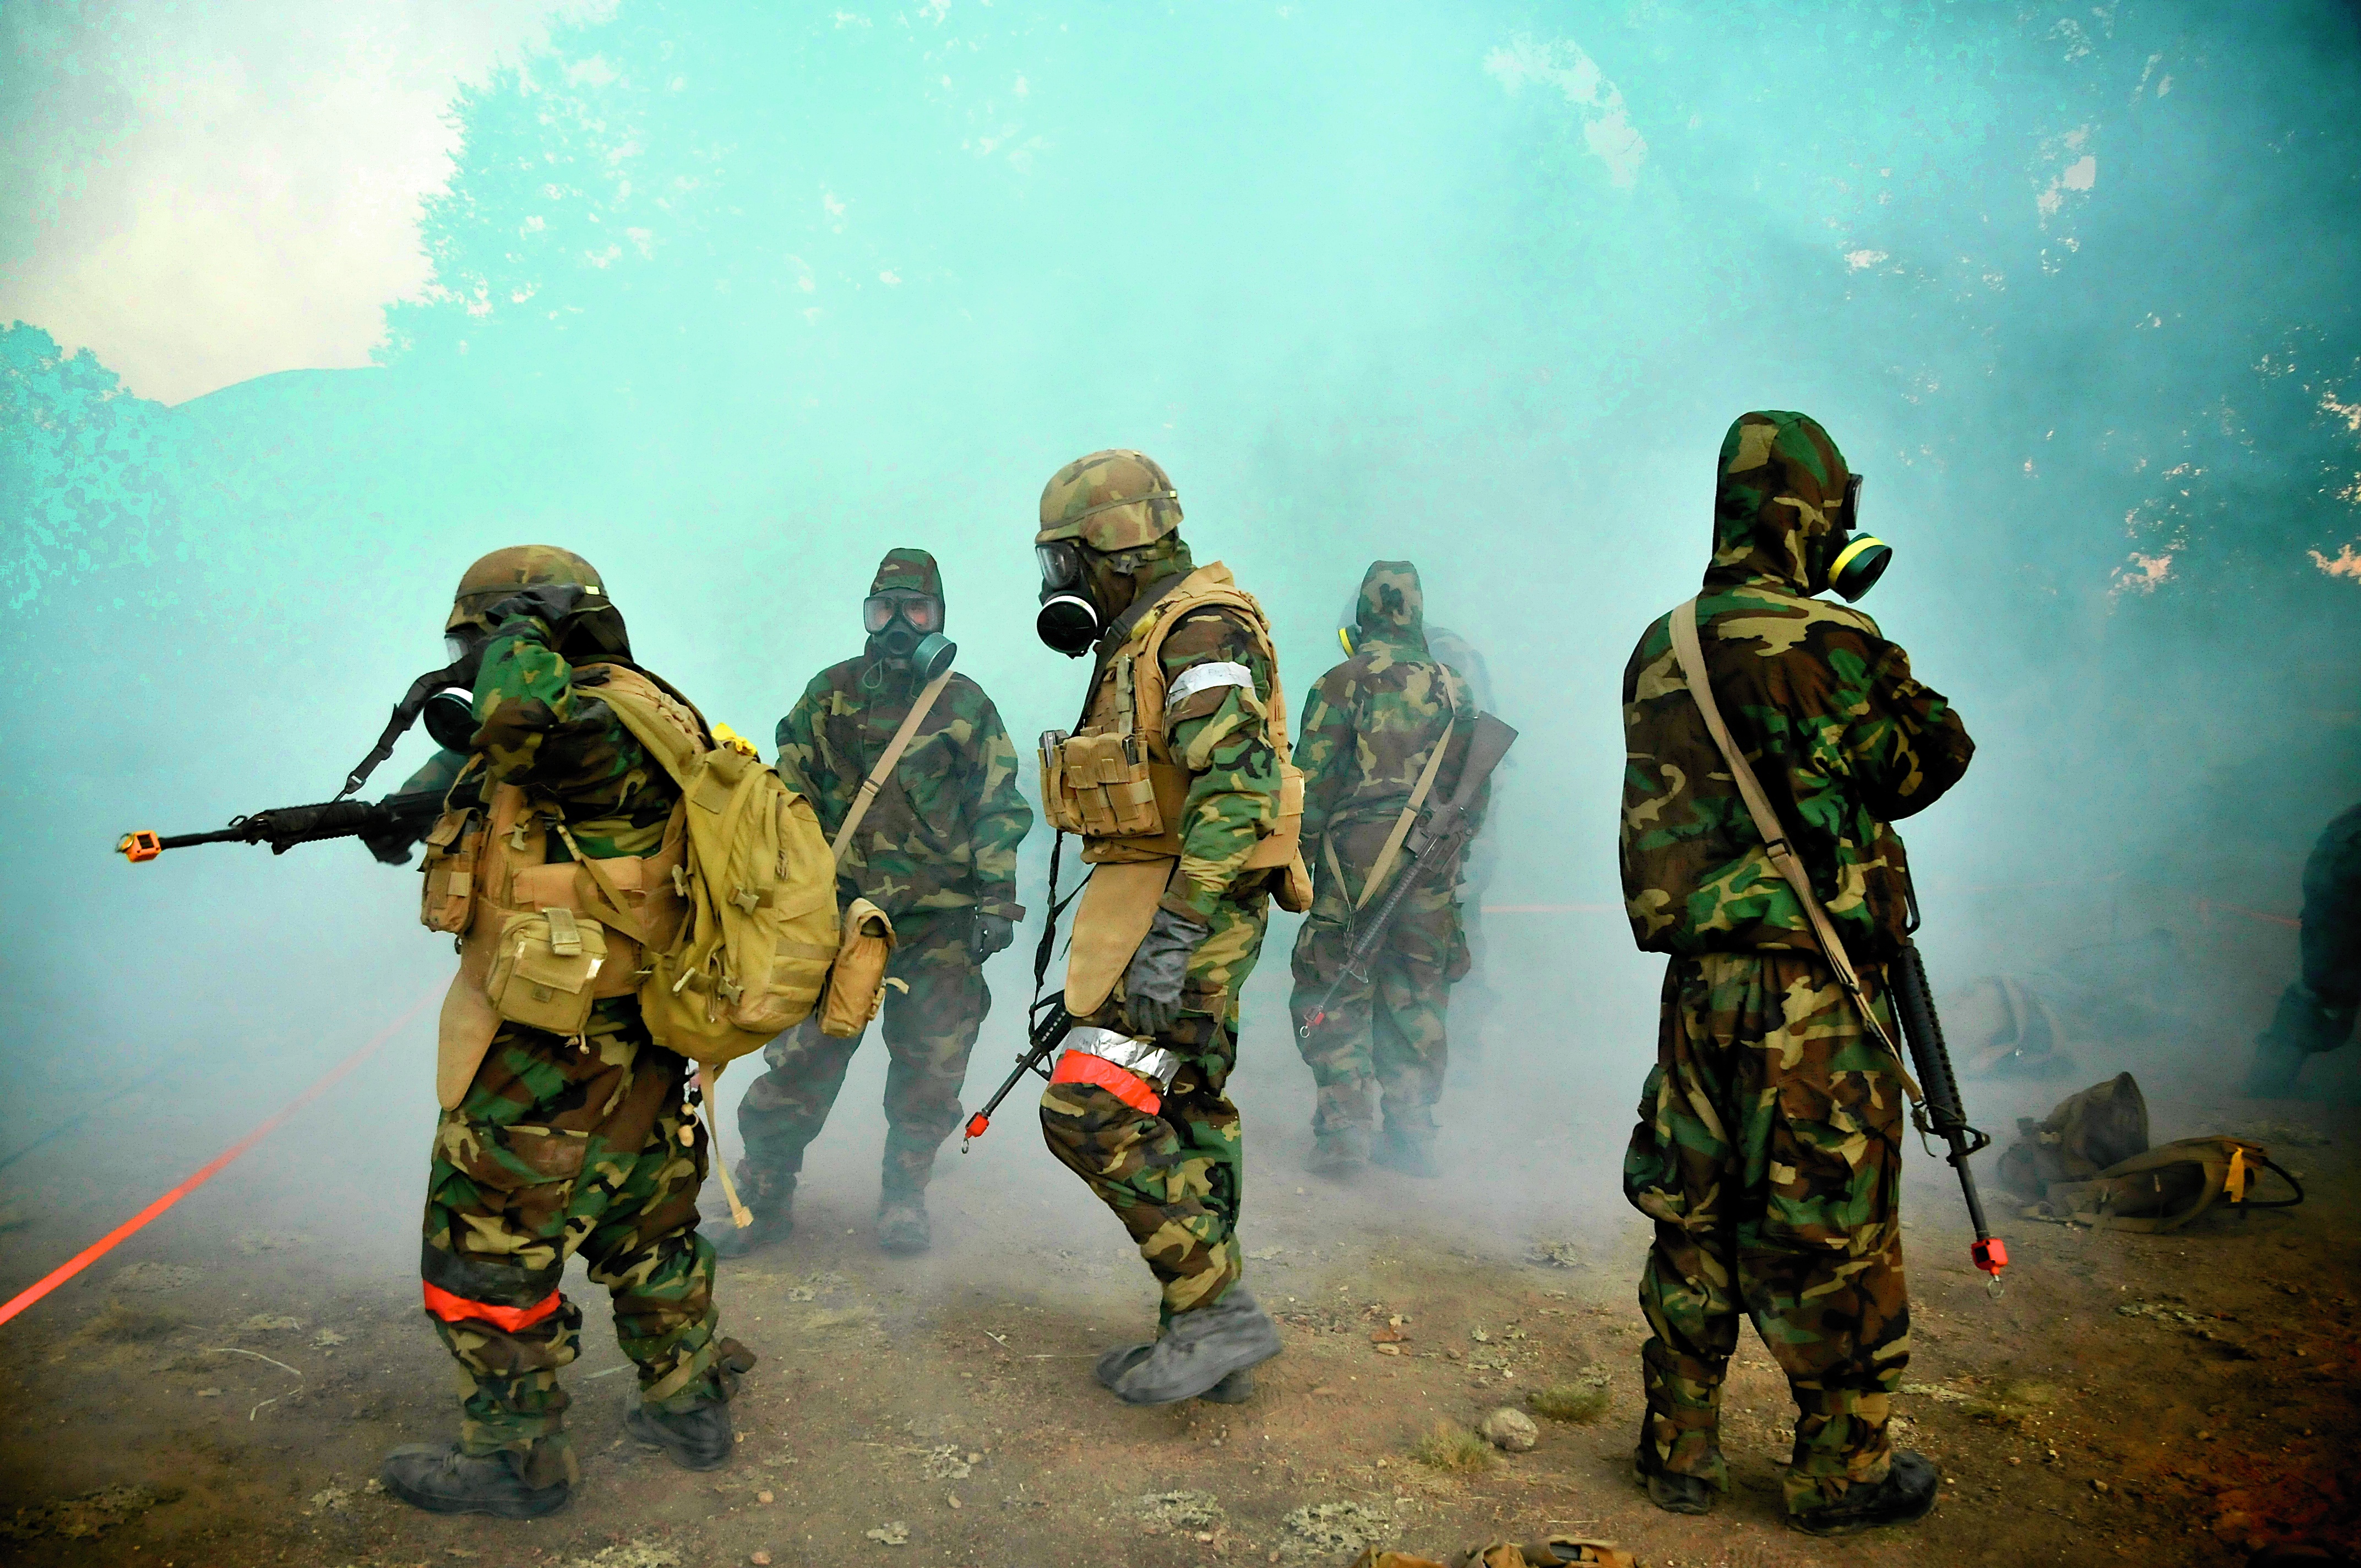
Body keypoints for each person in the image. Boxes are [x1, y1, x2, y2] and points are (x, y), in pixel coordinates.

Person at [1617, 412, 1974, 1536]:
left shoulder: (1659, 641)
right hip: (1817, 992)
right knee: (1835, 1230)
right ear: (1818, 516)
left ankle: (1677, 1449)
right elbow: (1933, 758)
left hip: (1699, 985)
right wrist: (1851, 619)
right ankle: (1838, 1471)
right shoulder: (1839, 642)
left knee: (1692, 1210)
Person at [379, 546, 752, 1519]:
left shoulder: (574, 720)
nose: (469, 659)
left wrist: (514, 632)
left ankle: (514, 1461)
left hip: (552, 1046)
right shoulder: (636, 705)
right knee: (646, 1221)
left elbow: (514, 724)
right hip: (635, 1032)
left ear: (525, 632)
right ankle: (690, 1405)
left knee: (483, 1249)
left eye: (480, 637)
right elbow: (499, 780)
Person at [1029, 448, 1307, 1406]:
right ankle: (1200, 1332)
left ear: (1104, 549)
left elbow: (1239, 786)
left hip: (1187, 907)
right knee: (1183, 1108)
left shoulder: (1197, 630)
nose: (1056, 588)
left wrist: (1176, 933)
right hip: (1174, 900)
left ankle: (1213, 1307)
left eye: (1059, 564)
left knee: (1088, 1105)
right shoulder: (1155, 632)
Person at [723, 548, 1032, 1256]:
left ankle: (904, 1200)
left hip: (941, 925)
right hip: (841, 921)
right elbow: (786, 795)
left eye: (914, 610)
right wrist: (778, 894)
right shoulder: (829, 693)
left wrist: (997, 899)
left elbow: (998, 803)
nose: (897, 625)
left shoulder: (964, 704)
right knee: (800, 1063)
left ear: (940, 616)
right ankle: (764, 1199)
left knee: (931, 1070)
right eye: (882, 610)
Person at [1288, 560, 1487, 1177]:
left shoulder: (1341, 681)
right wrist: (1453, 856)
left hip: (1354, 867)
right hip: (1431, 867)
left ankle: (1345, 1133)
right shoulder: (1455, 686)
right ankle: (1411, 1135)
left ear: (1362, 616)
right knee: (1418, 997)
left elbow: (1310, 786)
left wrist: (1294, 860)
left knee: (1335, 985)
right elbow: (1473, 792)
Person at [2244, 802, 2361, 1096]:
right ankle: (2267, 1080)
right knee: (2325, 992)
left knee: (2321, 987)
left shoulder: (2347, 825)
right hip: (2342, 892)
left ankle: (2268, 1078)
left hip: (2332, 886)